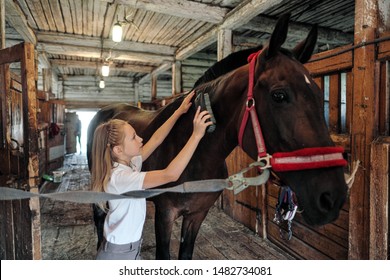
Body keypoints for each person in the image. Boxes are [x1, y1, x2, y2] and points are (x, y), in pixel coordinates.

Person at [90, 91, 212, 260]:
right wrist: (196, 135)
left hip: (130, 250)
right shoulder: (121, 178)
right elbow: (170, 174)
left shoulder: (131, 164)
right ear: (118, 150)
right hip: (118, 254)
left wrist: (178, 112)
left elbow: (155, 140)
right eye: (133, 137)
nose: (140, 139)